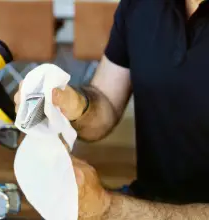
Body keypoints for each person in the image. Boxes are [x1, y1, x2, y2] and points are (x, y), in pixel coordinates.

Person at [16, 0, 209, 218]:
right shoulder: (141, 5)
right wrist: (75, 104)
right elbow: (106, 100)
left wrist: (108, 207)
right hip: (146, 200)